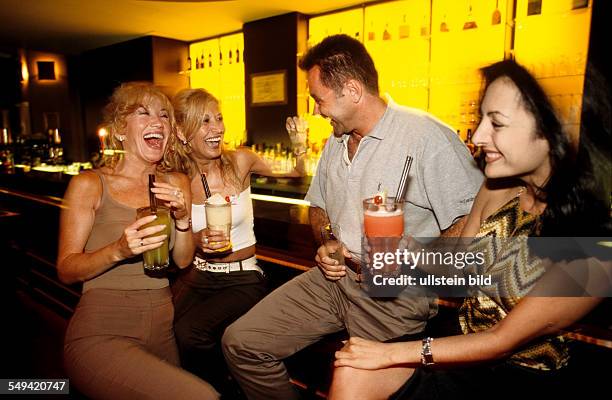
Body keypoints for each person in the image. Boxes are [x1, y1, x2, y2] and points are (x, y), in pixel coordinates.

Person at [222, 34, 484, 400]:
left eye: (319, 99)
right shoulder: (335, 141)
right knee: (242, 343)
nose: (315, 110)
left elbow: (472, 223)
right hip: (334, 280)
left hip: (393, 295)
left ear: (352, 90)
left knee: (351, 387)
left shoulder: (426, 138)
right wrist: (327, 240)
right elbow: (319, 206)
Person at [330, 60, 611, 400]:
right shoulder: (499, 189)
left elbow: (501, 341)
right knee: (352, 367)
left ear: (554, 131)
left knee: (365, 361)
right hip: (461, 349)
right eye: (481, 119)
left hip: (523, 377)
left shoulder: (598, 239)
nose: (477, 136)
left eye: (496, 123)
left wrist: (387, 353)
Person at [58, 82, 218, 400]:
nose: (157, 121)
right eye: (142, 113)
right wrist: (118, 250)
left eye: (164, 116)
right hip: (102, 328)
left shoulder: (177, 182)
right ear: (120, 129)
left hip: (161, 326)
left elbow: (183, 261)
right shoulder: (90, 184)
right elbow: (66, 269)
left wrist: (184, 220)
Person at [163, 88, 306, 396]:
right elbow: (179, 249)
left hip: (243, 276)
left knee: (190, 334)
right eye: (204, 121)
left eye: (219, 118)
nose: (217, 128)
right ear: (181, 132)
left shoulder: (239, 162)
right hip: (198, 276)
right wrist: (197, 238)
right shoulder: (177, 180)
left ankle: (223, 391)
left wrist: (299, 144)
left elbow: (296, 172)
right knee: (167, 333)